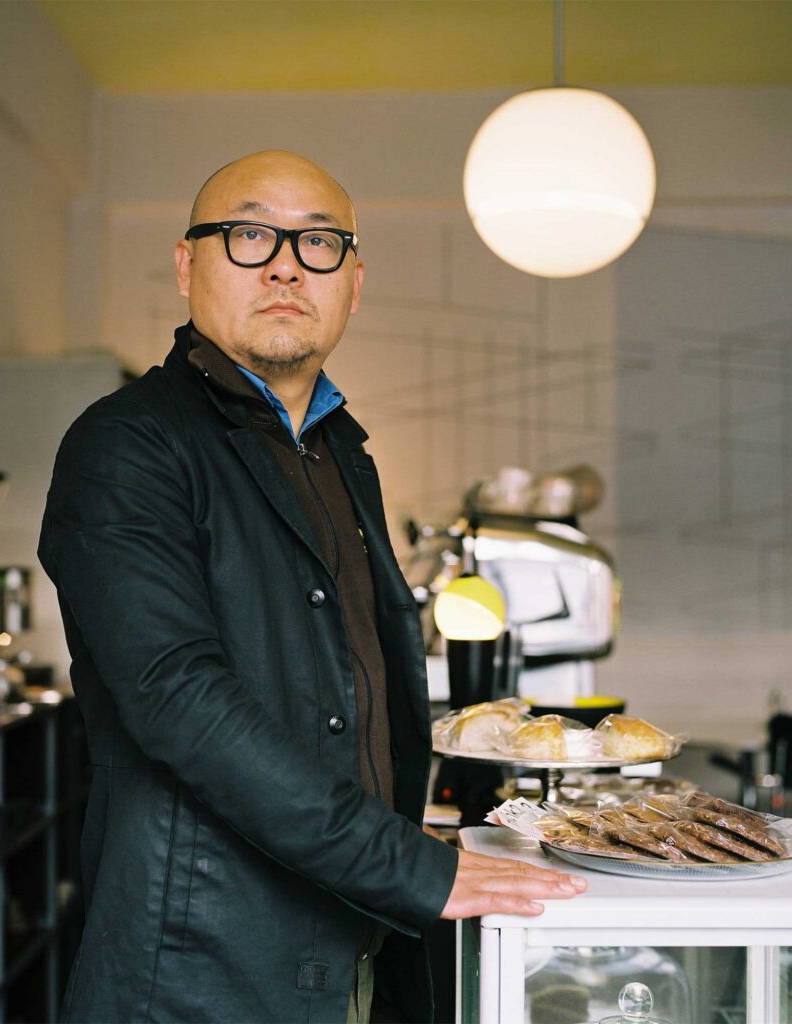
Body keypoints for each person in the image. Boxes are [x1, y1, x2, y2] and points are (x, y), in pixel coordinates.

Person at [39, 150, 586, 1024]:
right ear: (186, 265)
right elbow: (178, 698)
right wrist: (405, 865)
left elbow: (340, 690)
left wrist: (406, 835)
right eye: (249, 234)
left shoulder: (339, 453)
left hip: (349, 950)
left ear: (353, 284)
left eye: (319, 242)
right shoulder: (128, 445)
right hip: (196, 976)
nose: (286, 265)